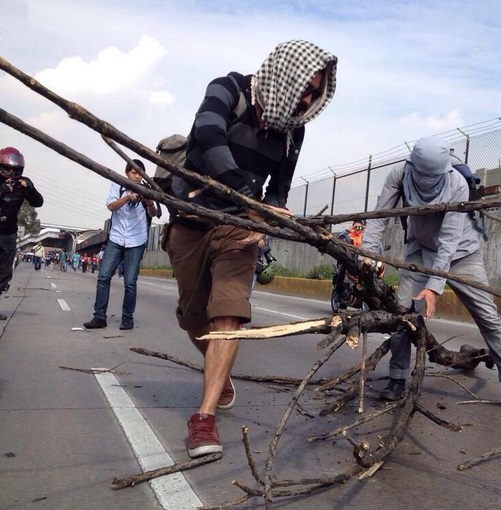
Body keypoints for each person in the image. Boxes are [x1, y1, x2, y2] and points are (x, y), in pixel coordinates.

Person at [166, 40, 337, 458]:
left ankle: (203, 419)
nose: (307, 97)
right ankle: (218, 376)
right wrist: (246, 193)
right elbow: (206, 135)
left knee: (228, 313)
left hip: (239, 230)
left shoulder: (294, 131)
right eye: (304, 86)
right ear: (285, 74)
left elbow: (277, 191)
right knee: (193, 319)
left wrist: (268, 220)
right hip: (192, 215)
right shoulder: (228, 88)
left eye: (316, 92)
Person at [361, 136, 501, 416]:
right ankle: (397, 378)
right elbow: (378, 218)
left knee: (489, 317)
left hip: (462, 254)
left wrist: (433, 288)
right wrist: (368, 257)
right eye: (422, 176)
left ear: (445, 170)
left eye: (434, 177)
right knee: (401, 314)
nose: (427, 182)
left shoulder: (456, 183)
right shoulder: (399, 175)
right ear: (412, 166)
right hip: (420, 250)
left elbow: (449, 240)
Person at [83, 159, 159, 331]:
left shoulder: (148, 188)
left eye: (140, 173)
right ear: (127, 173)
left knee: (130, 282)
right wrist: (127, 197)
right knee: (103, 277)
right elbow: (111, 206)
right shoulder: (117, 185)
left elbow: (154, 213)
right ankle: (99, 316)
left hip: (137, 240)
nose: (137, 176)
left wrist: (149, 201)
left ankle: (127, 318)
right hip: (116, 239)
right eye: (133, 172)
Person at [0, 147, 44, 320]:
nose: (11, 173)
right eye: (7, 169)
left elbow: (38, 202)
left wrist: (31, 190)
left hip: (8, 233)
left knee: (4, 273)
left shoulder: (22, 184)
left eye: (15, 170)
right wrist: (2, 190)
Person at [331, 219, 365, 300]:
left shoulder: (365, 237)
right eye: (357, 227)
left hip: (361, 261)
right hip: (347, 259)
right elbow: (340, 245)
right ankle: (338, 294)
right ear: (353, 226)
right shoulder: (347, 235)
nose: (358, 229)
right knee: (343, 269)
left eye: (360, 228)